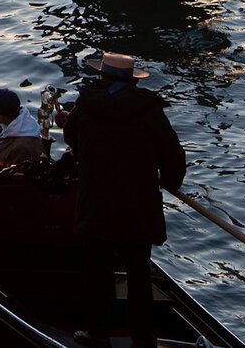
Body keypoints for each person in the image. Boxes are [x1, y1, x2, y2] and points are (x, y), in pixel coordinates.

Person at [65, 53, 186, 348]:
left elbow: (71, 138)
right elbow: (173, 156)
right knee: (139, 275)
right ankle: (143, 340)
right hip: (138, 207)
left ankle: (98, 335)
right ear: (132, 79)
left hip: (97, 205)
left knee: (97, 275)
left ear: (102, 77)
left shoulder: (86, 104)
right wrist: (170, 183)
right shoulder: (150, 110)